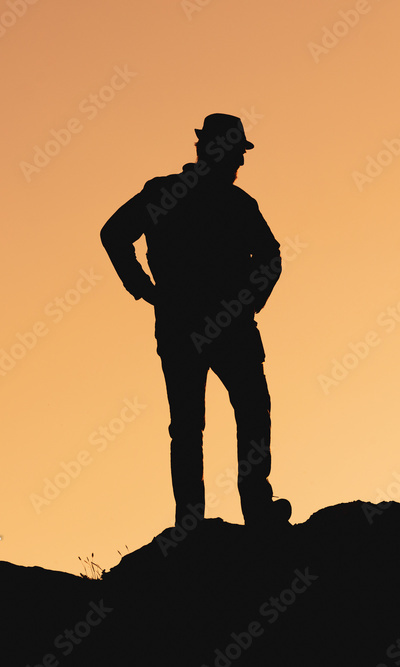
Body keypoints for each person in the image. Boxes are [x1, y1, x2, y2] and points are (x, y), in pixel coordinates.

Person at [100, 113, 291, 529]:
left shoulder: (171, 193)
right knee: (247, 413)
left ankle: (192, 522)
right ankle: (255, 510)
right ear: (216, 151)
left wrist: (145, 289)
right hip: (225, 325)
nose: (240, 163)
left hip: (183, 323)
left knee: (191, 426)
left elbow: (114, 234)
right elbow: (272, 259)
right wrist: (248, 302)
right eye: (238, 153)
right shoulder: (232, 203)